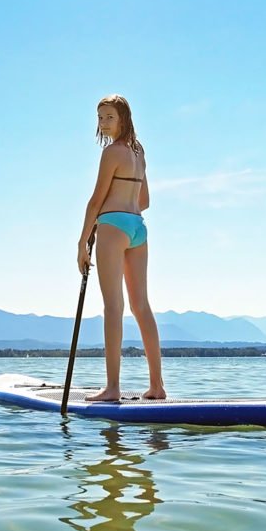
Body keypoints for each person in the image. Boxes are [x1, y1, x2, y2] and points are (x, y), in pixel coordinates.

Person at [77, 94, 165, 402]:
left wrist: (82, 243)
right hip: (138, 228)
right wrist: (126, 200)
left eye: (109, 117)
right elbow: (145, 201)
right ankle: (157, 386)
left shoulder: (112, 152)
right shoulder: (138, 152)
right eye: (100, 117)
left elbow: (95, 200)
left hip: (113, 228)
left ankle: (112, 388)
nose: (103, 123)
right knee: (141, 306)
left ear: (124, 118)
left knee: (114, 307)